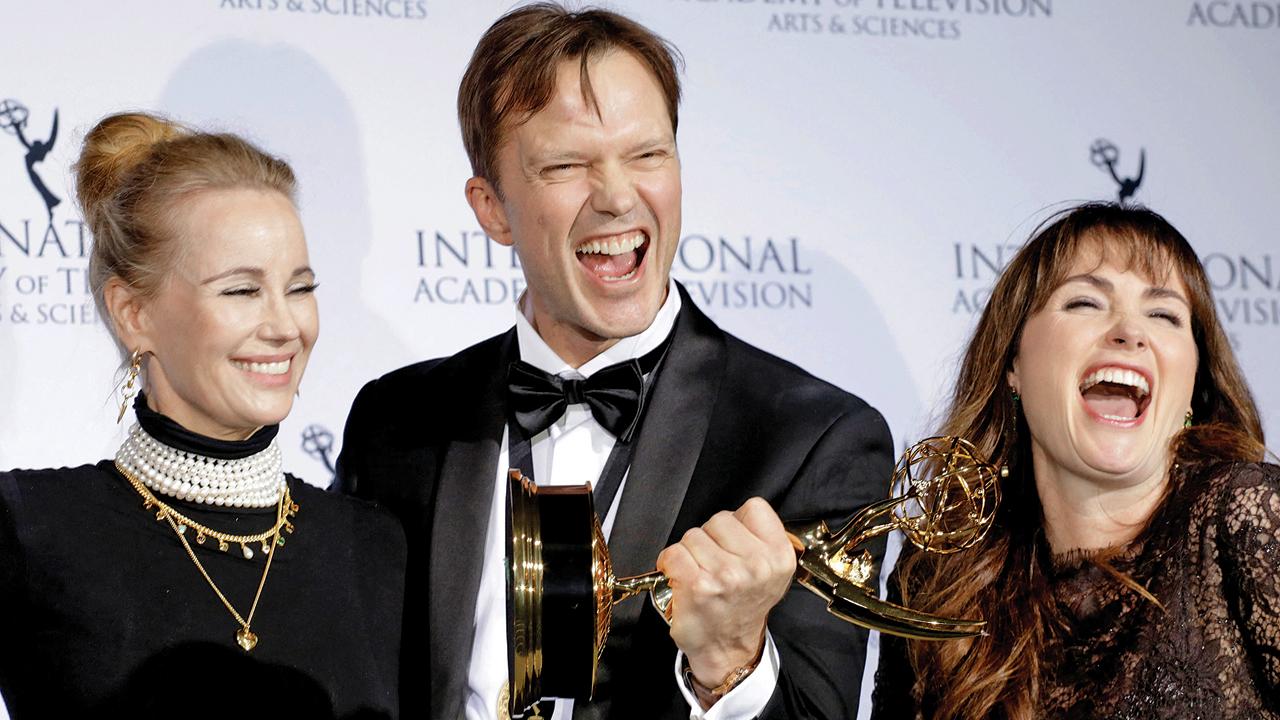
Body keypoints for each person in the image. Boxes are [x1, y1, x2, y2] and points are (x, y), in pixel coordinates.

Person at [333, 4, 893, 720]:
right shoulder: (398, 421)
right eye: (566, 165)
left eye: (647, 155)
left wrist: (731, 665)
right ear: (492, 209)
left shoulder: (812, 440)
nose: (619, 197)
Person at [0, 113, 406, 719]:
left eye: (299, 287)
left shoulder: (373, 547)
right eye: (241, 290)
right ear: (134, 313)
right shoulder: (28, 530)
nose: (283, 326)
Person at [872, 202, 1279, 719]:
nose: (1130, 332)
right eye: (1085, 302)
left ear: (1195, 387)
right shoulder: (939, 579)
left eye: (1164, 315)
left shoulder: (1249, 518)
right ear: (1012, 363)